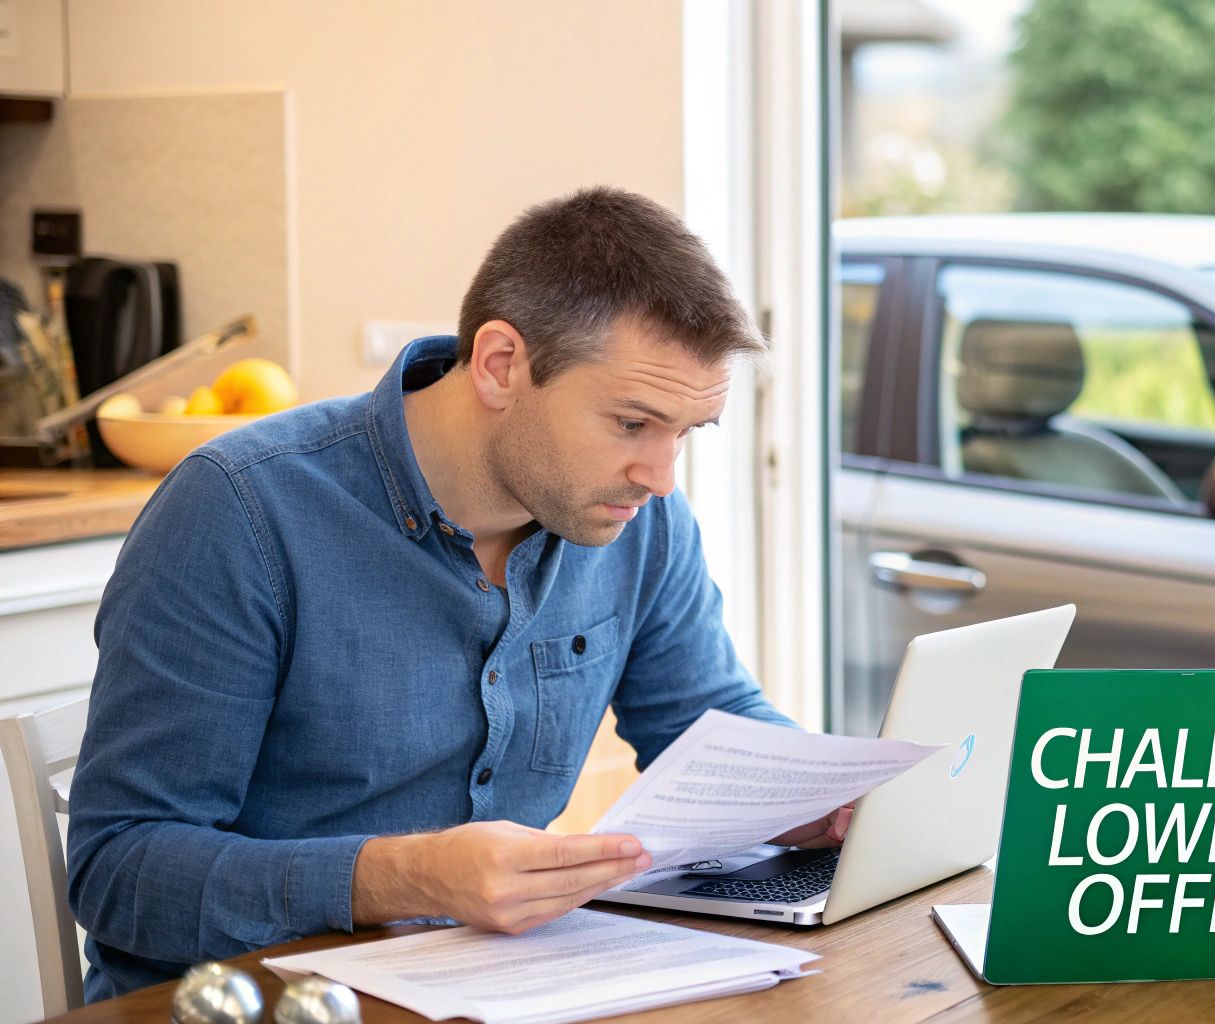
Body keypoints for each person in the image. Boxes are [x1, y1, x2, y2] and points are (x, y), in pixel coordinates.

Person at [65, 187, 846, 1000]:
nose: (659, 476)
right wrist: (407, 877)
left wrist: (821, 795)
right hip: (241, 1006)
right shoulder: (239, 512)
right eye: (630, 424)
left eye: (685, 433)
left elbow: (706, 722)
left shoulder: (635, 519)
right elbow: (120, 868)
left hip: (487, 990)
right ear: (502, 365)